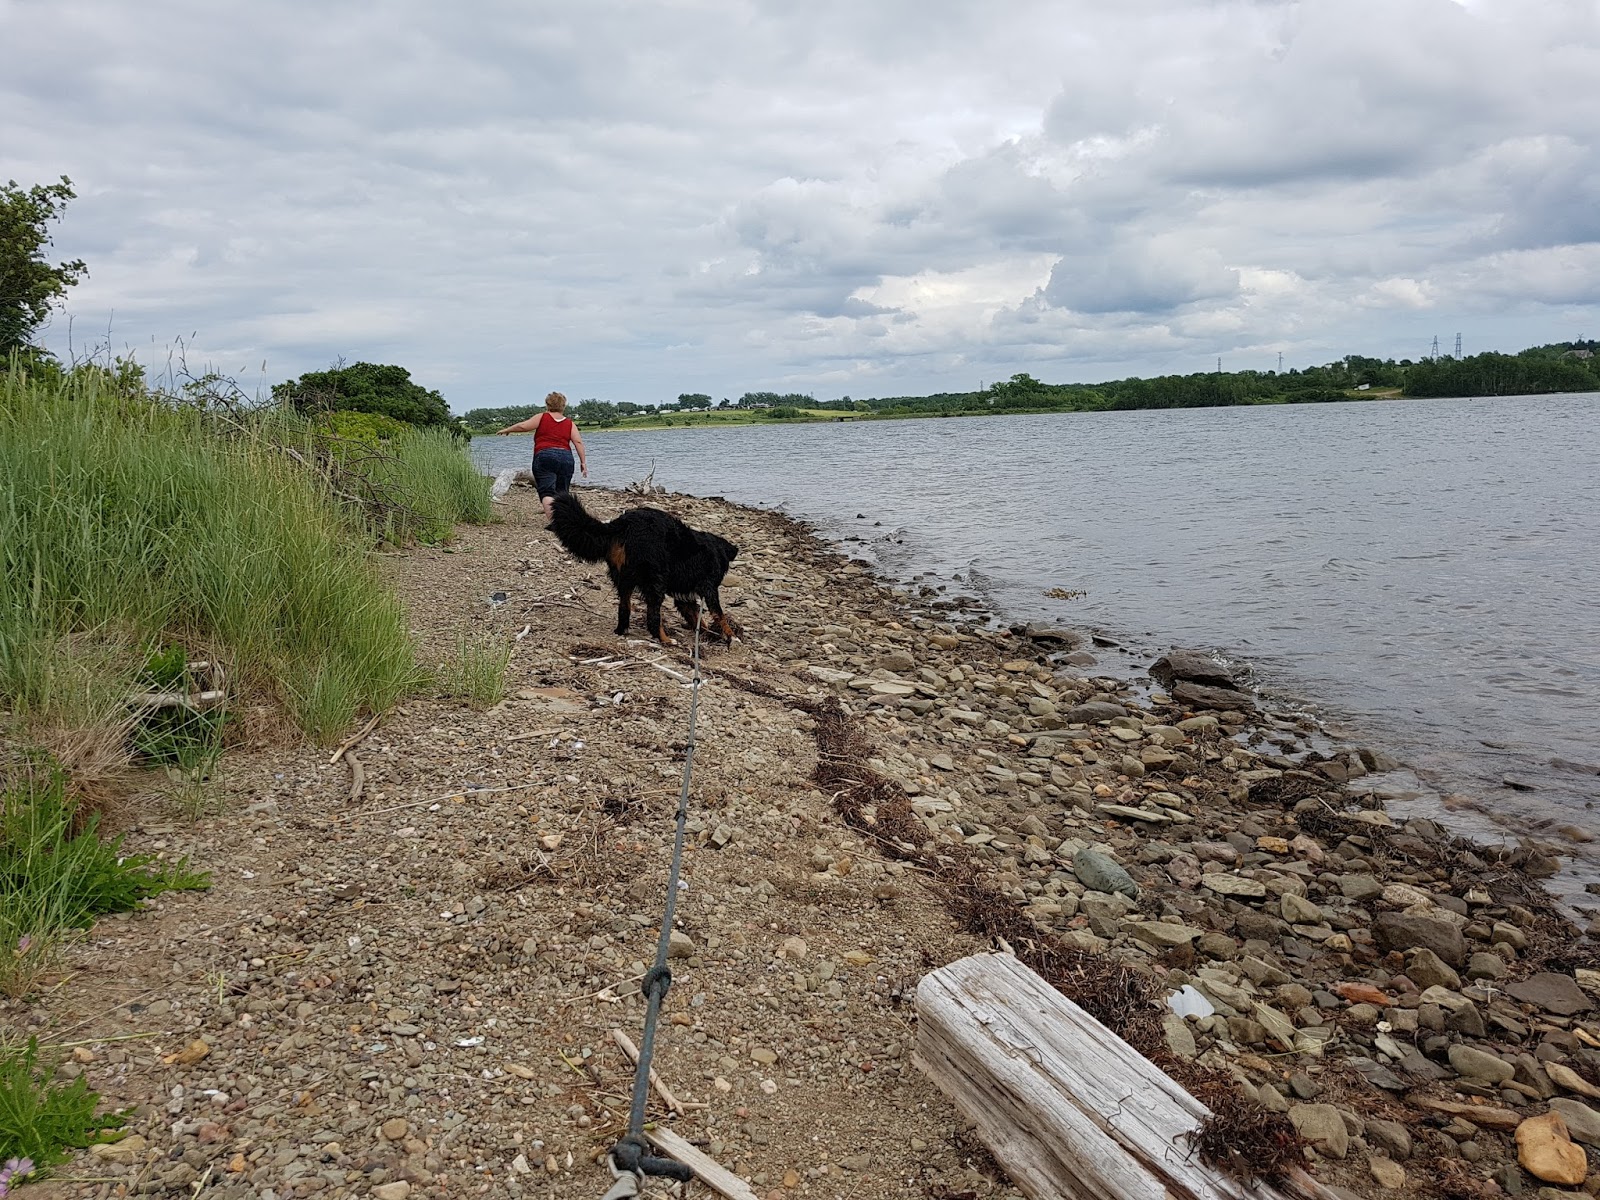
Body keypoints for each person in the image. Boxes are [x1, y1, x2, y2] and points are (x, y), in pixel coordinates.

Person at [496, 391, 588, 519]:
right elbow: (578, 442)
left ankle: (555, 522)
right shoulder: (570, 423)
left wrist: (508, 430)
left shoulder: (542, 417)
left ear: (547, 404)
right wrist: (583, 462)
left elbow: (523, 426)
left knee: (547, 491)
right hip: (566, 458)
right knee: (562, 491)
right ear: (563, 406)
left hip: (545, 456)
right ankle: (564, 521)